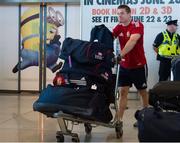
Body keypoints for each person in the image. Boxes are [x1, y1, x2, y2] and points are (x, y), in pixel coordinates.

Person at [112, 5, 149, 130]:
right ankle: (119, 119)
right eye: (118, 13)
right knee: (123, 93)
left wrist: (119, 55)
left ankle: (145, 117)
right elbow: (109, 37)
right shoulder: (119, 27)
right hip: (124, 66)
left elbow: (132, 41)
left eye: (122, 13)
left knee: (142, 92)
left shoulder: (137, 25)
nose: (119, 16)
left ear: (129, 14)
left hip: (138, 65)